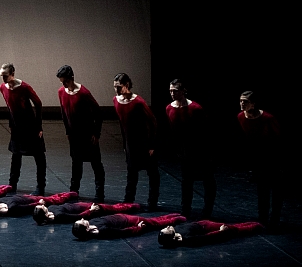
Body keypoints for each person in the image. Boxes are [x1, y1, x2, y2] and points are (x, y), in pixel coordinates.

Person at [165, 78, 216, 219]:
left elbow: (205, 131)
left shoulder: (195, 108)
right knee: (186, 181)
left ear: (183, 91)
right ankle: (185, 209)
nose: (172, 93)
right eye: (170, 91)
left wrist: (207, 152)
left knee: (207, 180)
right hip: (184, 151)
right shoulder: (169, 108)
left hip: (200, 150)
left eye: (175, 91)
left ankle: (208, 210)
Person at [55, 65, 105, 202]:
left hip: (87, 135)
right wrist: (68, 131)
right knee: (76, 164)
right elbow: (63, 113)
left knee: (96, 163)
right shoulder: (61, 92)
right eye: (62, 82)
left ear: (71, 78)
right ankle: (74, 191)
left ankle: (100, 193)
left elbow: (98, 113)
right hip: (75, 136)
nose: (64, 85)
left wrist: (96, 133)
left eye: (65, 81)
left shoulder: (83, 93)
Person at [238, 90, 284, 229]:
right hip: (259, 159)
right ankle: (262, 218)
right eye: (241, 101)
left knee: (276, 190)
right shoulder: (241, 117)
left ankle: (275, 219)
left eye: (245, 101)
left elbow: (279, 139)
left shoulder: (268, 118)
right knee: (262, 190)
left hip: (273, 158)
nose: (242, 104)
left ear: (253, 104)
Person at [113, 72, 159, 209]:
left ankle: (152, 201)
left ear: (127, 85)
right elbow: (122, 124)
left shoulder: (138, 102)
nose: (116, 90)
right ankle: (128, 200)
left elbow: (152, 122)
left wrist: (151, 145)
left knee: (152, 173)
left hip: (143, 142)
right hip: (130, 143)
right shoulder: (116, 100)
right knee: (131, 172)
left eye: (119, 87)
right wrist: (124, 144)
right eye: (115, 87)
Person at [0, 63, 47, 195]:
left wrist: (39, 126)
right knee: (16, 156)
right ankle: (12, 184)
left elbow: (38, 104)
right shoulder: (2, 87)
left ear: (12, 74)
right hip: (17, 128)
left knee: (39, 156)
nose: (3, 79)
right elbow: (9, 107)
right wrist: (11, 124)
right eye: (2, 76)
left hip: (30, 126)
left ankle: (40, 186)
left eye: (5, 76)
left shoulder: (24, 87)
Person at [71, 212, 186, 240]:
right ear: (86, 228)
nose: (82, 219)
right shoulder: (102, 231)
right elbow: (123, 232)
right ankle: (175, 219)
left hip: (121, 217)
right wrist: (137, 228)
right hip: (128, 222)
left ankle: (172, 216)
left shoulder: (92, 223)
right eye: (82, 222)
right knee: (154, 223)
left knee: (152, 221)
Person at [157, 220, 264, 248]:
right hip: (207, 228)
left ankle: (255, 225)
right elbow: (206, 237)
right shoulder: (187, 239)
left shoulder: (176, 230)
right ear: (170, 236)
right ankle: (257, 226)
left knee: (234, 227)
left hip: (203, 223)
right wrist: (220, 232)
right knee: (235, 229)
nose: (168, 227)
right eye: (167, 229)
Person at [31, 199, 142, 225]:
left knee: (110, 208)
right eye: (42, 208)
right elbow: (77, 216)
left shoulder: (51, 209)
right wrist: (90, 210)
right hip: (84, 209)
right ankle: (135, 207)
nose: (43, 206)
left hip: (78, 205)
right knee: (112, 208)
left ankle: (133, 206)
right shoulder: (59, 216)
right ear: (44, 213)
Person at [0, 191, 81, 218]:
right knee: (54, 199)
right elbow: (26, 207)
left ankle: (69, 194)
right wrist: (38, 203)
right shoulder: (11, 208)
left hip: (27, 197)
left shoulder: (0, 200)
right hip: (31, 201)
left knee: (52, 198)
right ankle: (70, 195)